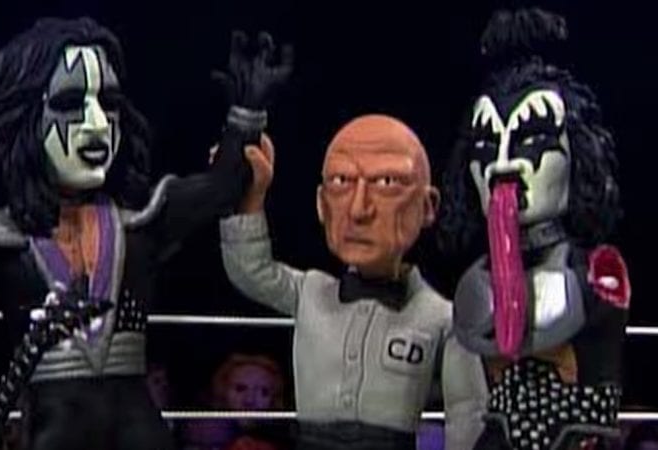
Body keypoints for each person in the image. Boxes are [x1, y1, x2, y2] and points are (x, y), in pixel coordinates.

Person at [0, 18, 292, 450]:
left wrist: (246, 113)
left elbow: (223, 187)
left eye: (109, 103)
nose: (97, 123)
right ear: (25, 116)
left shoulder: (139, 225)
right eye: (70, 104)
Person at [220, 114, 488, 450]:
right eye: (341, 181)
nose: (359, 210)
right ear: (321, 203)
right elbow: (250, 270)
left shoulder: (441, 318)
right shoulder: (310, 292)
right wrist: (249, 197)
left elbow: (468, 412)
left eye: (387, 182)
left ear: (427, 205)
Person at [438, 8, 630, 450]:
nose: (502, 165)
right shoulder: (477, 280)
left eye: (529, 141)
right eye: (488, 145)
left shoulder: (596, 269)